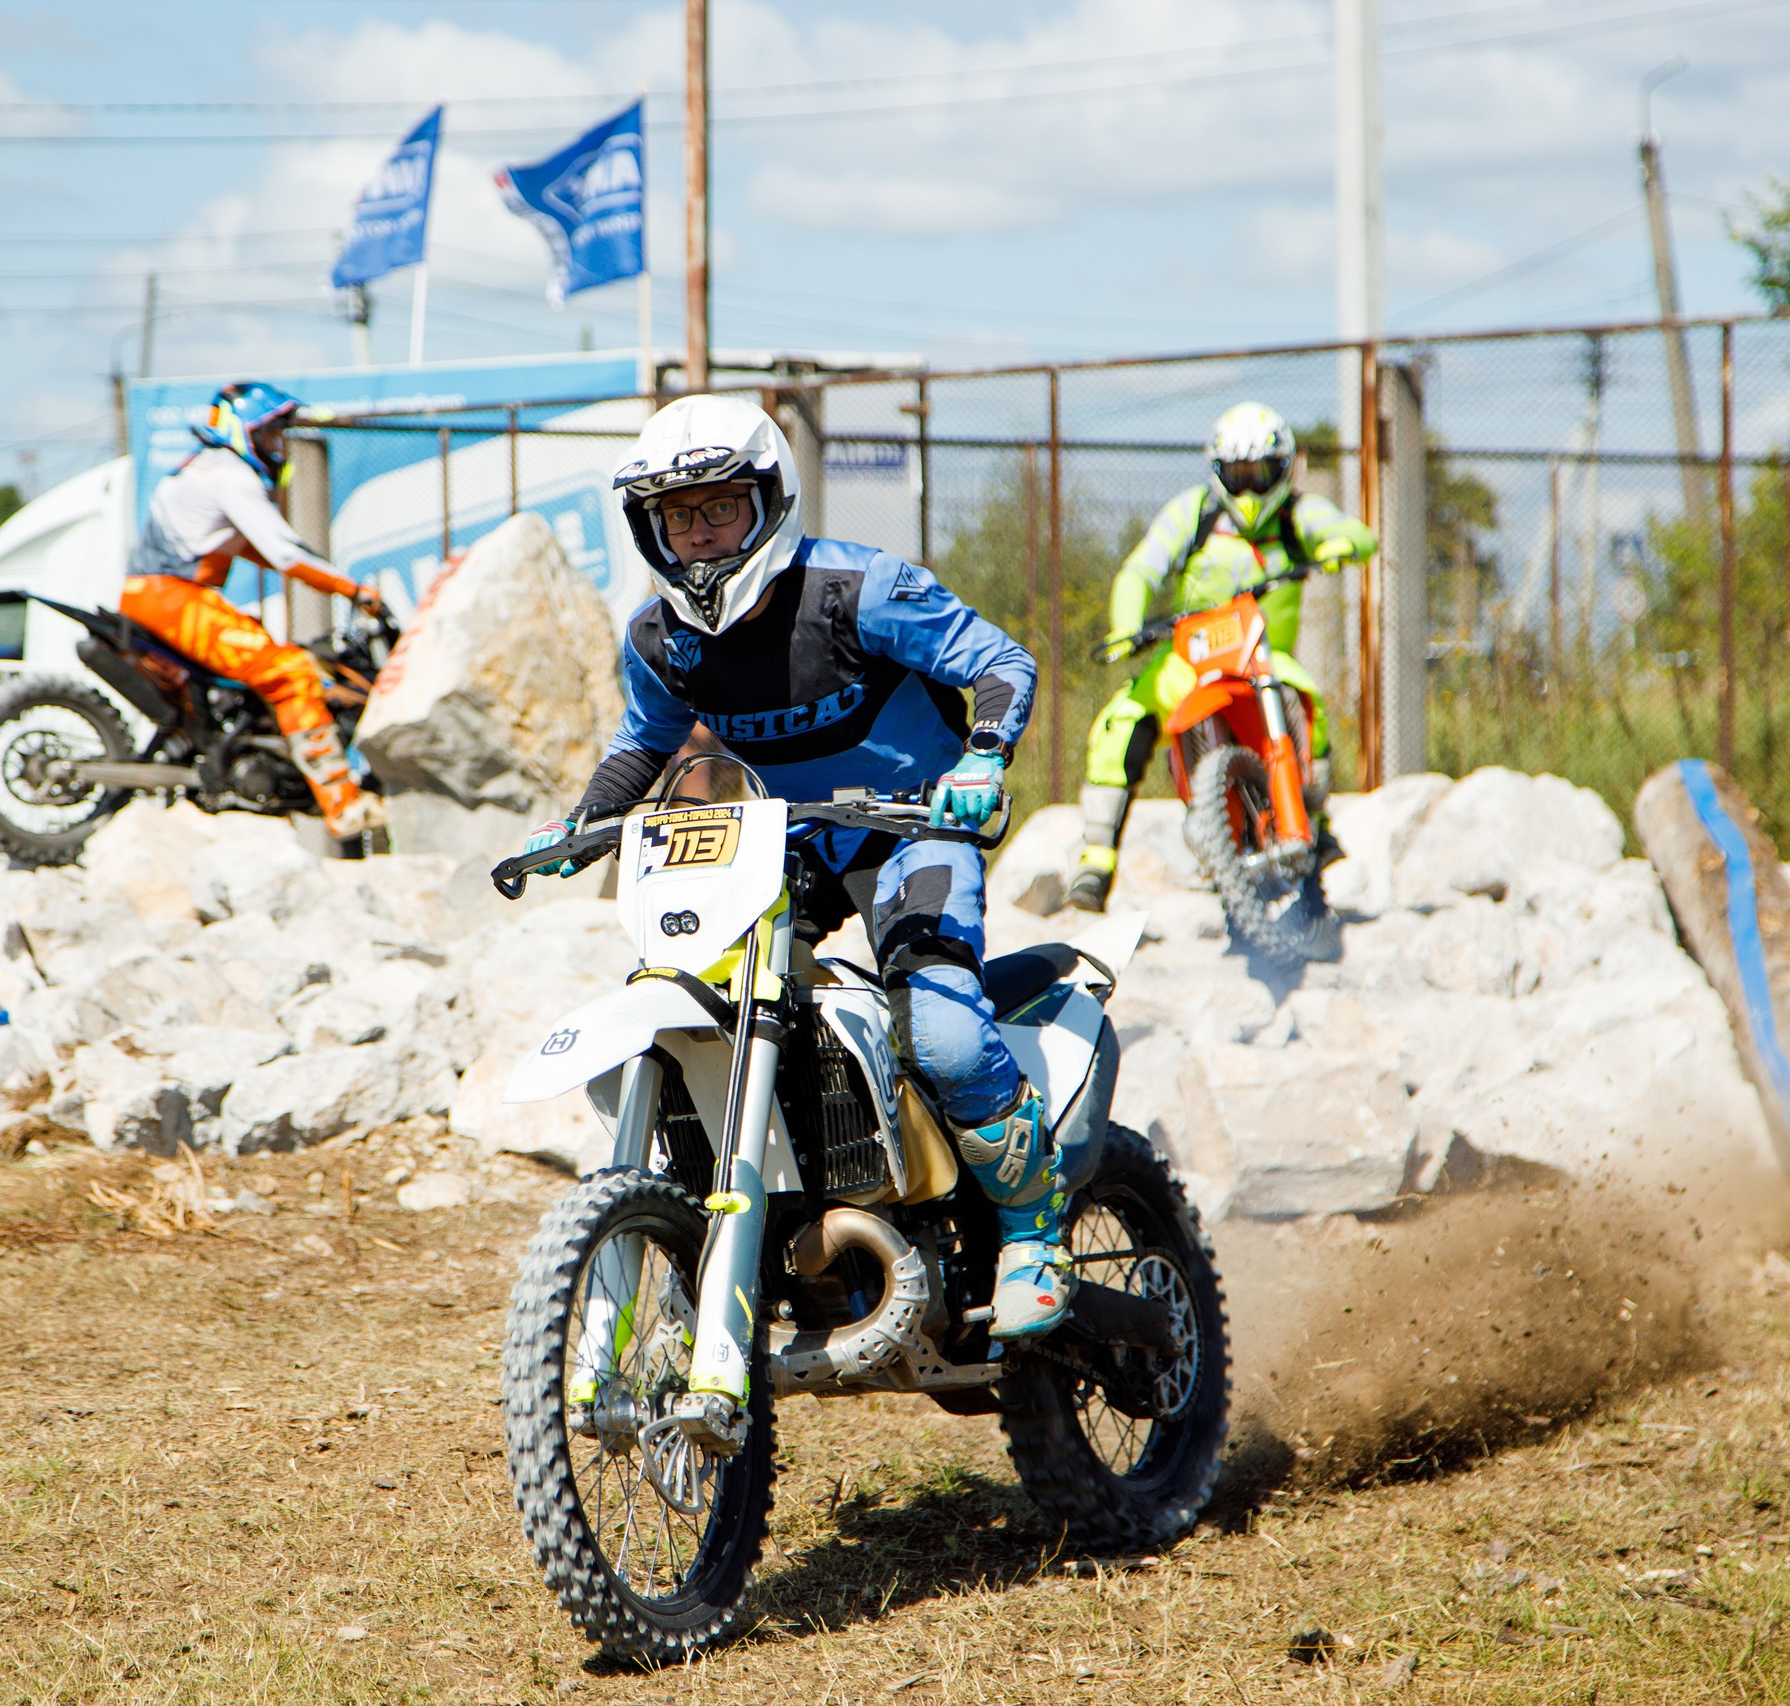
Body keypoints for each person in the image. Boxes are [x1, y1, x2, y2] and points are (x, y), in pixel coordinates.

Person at [514, 395, 1072, 1341]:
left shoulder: (861, 589)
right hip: (787, 837)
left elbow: (999, 661)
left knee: (935, 1029)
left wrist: (981, 758)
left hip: (914, 826)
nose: (698, 534)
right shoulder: (658, 638)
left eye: (719, 507)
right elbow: (643, 741)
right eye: (676, 516)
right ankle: (776, 1218)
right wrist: (581, 823)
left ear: (768, 502)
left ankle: (1031, 1234)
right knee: (704, 1006)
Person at [1061, 402, 1376, 914]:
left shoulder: (1298, 515)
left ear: (1285, 467)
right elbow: (1141, 570)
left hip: (1265, 659)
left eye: (1261, 473)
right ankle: (1096, 862)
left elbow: (1360, 535)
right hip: (1189, 657)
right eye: (1238, 474)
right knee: (1120, 724)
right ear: (1218, 471)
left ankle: (1314, 829)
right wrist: (1126, 626)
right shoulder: (1194, 512)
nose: (1250, 488)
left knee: (1308, 711)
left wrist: (1340, 544)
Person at [123, 381, 389, 839]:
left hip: (164, 597)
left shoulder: (206, 469)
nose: (278, 445)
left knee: (266, 662)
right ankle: (344, 806)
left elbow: (253, 548)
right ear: (242, 431)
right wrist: (351, 588)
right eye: (270, 434)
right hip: (175, 599)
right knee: (291, 672)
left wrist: (322, 577)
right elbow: (287, 554)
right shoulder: (230, 474)